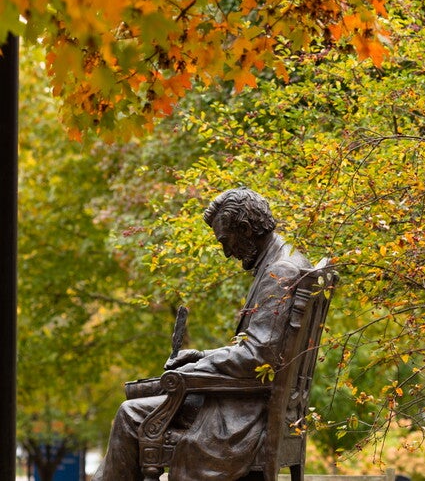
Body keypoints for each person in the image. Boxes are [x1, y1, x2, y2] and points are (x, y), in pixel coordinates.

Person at [93, 187, 312, 481]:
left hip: (245, 412)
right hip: (252, 399)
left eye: (226, 241)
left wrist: (195, 369)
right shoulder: (288, 261)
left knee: (130, 414)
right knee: (141, 394)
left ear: (245, 229)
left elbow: (257, 357)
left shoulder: (280, 272)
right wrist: (201, 356)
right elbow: (259, 348)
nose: (226, 252)